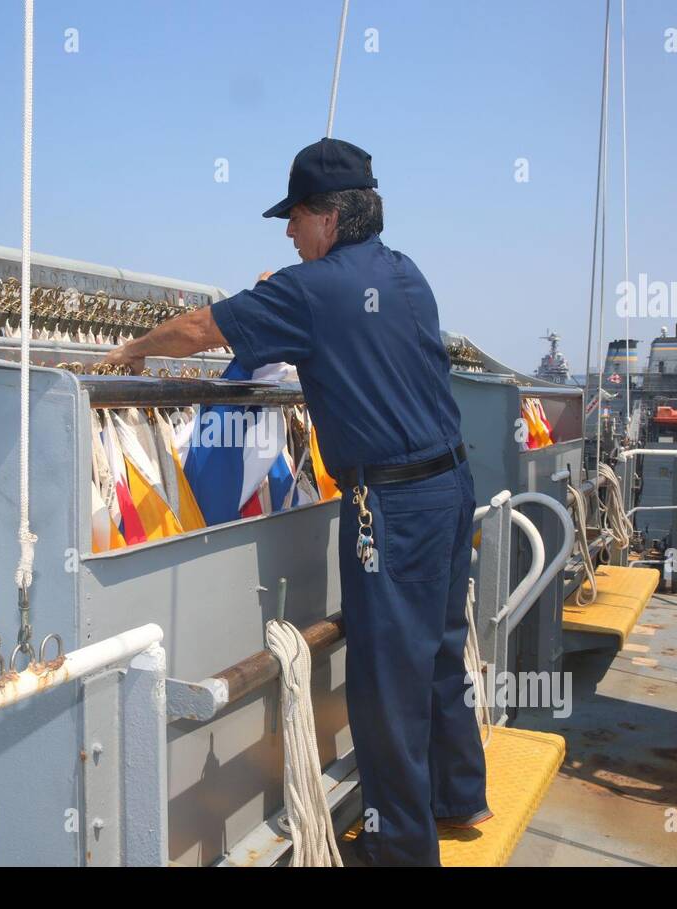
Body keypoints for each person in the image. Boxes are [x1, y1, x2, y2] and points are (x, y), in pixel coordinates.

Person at [106, 138, 488, 866]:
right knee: (440, 650)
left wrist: (127, 356)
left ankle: (399, 852)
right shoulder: (406, 274)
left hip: (394, 510)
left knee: (384, 684)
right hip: (450, 487)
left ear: (327, 217)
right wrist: (288, 292)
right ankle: (460, 795)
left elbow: (197, 330)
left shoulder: (308, 291)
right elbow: (358, 329)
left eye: (294, 217)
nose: (287, 231)